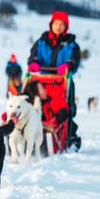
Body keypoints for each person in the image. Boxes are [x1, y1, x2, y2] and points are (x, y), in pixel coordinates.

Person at [27, 11, 81, 147]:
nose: (58, 27)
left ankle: (69, 138)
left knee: (66, 109)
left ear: (66, 27)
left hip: (61, 82)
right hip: (41, 82)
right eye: (56, 23)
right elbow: (33, 56)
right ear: (51, 24)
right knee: (28, 100)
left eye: (62, 24)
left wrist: (68, 65)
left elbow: (73, 60)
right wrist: (33, 63)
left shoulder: (71, 44)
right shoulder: (41, 42)